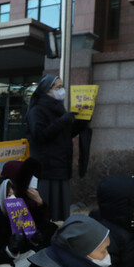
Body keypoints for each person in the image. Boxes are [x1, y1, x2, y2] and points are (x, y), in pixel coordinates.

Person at [25, 75, 89, 220]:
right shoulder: (37, 111)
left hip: (60, 165)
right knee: (46, 211)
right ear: (46, 90)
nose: (62, 91)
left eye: (62, 87)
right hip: (47, 168)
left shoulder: (59, 109)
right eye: (58, 87)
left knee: (59, 213)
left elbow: (64, 134)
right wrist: (63, 121)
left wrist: (81, 123)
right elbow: (40, 136)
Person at [1, 158, 57, 244]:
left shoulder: (27, 196)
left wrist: (40, 203)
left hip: (31, 238)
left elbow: (43, 220)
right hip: (13, 241)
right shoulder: (5, 198)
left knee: (52, 228)